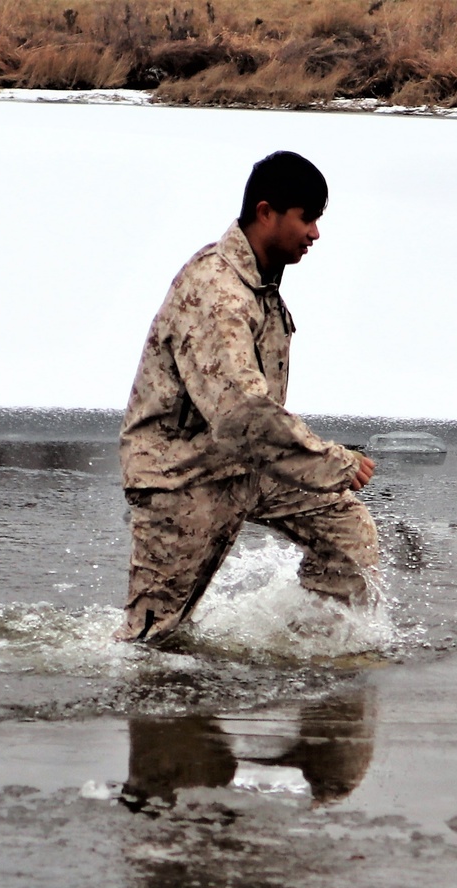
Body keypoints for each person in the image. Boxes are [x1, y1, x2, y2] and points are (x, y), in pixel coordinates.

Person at [115, 150, 378, 645]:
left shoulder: (258, 280)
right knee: (154, 641)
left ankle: (318, 654)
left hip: (245, 467)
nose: (315, 234)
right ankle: (147, 708)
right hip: (182, 478)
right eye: (308, 218)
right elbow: (242, 415)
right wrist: (332, 461)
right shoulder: (218, 293)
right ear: (265, 213)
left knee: (346, 529)